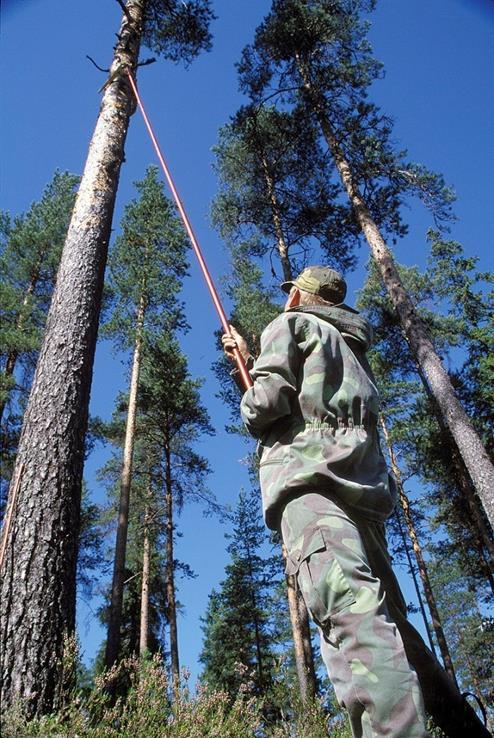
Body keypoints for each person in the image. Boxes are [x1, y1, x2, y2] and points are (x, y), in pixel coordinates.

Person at [222, 265, 491, 738]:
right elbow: (306, 405)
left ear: (299, 299)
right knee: (391, 628)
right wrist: (248, 359)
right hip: (363, 497)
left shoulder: (290, 325)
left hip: (310, 488)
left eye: (292, 295)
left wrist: (251, 369)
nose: (287, 301)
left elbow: (265, 407)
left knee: (351, 621)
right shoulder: (352, 352)